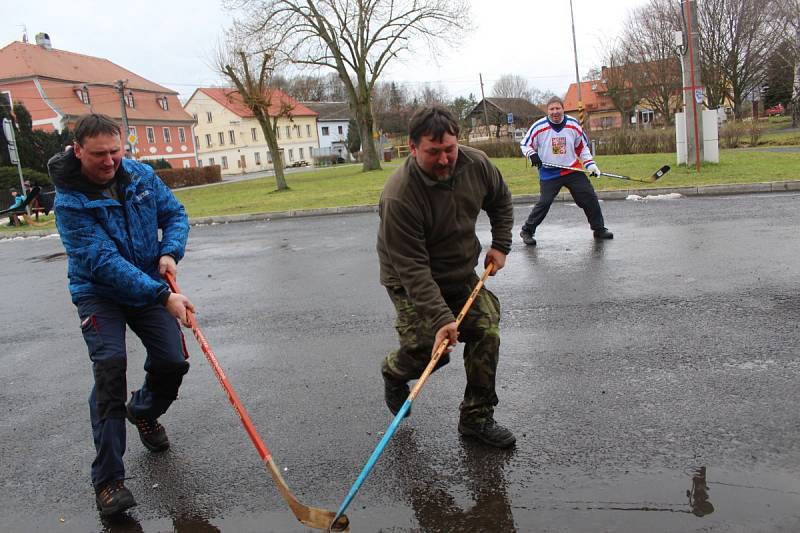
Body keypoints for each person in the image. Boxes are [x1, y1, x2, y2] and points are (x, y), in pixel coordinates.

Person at [48, 113, 194, 517]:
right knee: (111, 366)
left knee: (172, 361)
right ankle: (108, 481)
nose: (110, 161)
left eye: (116, 151)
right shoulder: (69, 201)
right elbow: (103, 262)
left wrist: (170, 251)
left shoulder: (141, 175)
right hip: (100, 292)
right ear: (78, 151)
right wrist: (163, 295)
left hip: (148, 283)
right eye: (99, 154)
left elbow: (175, 215)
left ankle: (143, 411)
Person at [377, 106, 516, 448]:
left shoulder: (476, 164)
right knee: (431, 350)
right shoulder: (399, 196)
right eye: (432, 152)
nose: (444, 160)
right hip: (411, 279)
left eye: (449, 149)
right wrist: (442, 319)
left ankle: (476, 418)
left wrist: (501, 244)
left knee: (486, 331)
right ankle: (394, 371)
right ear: (412, 148)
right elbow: (412, 267)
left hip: (459, 269)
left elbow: (500, 200)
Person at [518, 96, 613, 246]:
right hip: (550, 172)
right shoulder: (539, 126)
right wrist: (533, 155)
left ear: (563, 109)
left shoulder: (573, 125)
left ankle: (599, 229)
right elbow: (525, 144)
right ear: (547, 111)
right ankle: (527, 231)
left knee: (589, 197)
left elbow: (581, 147)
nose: (555, 112)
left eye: (558, 108)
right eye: (551, 109)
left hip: (572, 169)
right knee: (544, 202)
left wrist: (590, 165)